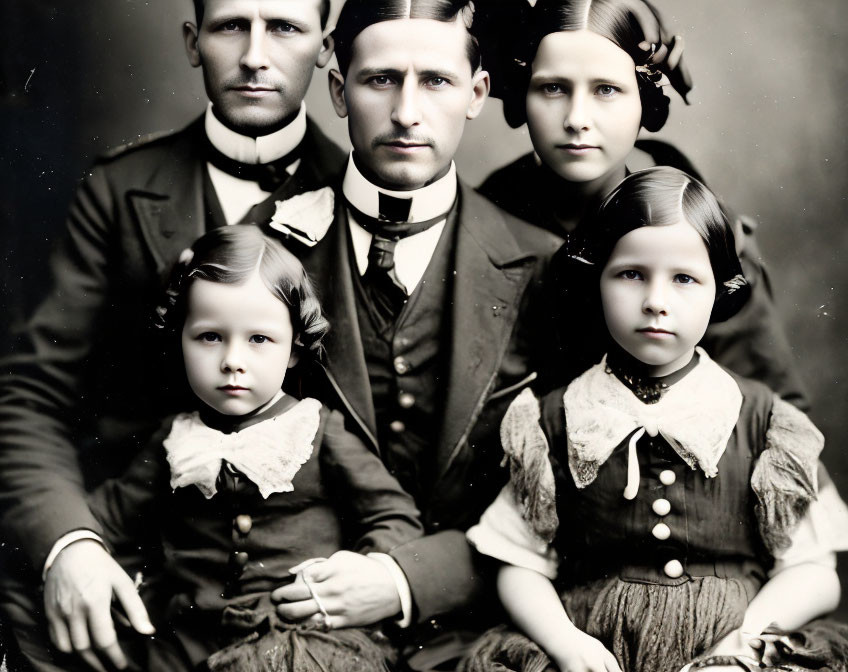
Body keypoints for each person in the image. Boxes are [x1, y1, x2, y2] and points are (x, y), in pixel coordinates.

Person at [0, 1, 345, 669]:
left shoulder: (355, 193)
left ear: (325, 47)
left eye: (283, 27)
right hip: (133, 553)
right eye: (229, 26)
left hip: (287, 584)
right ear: (193, 41)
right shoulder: (120, 189)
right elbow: (33, 396)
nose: (253, 54)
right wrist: (71, 544)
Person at [459, 167, 848, 672]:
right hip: (596, 651)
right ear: (597, 281)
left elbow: (814, 571)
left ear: (719, 289)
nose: (655, 301)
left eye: (684, 279)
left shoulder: (765, 423)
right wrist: (565, 644)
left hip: (733, 648)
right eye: (631, 274)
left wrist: (746, 642)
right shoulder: (553, 422)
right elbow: (518, 563)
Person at [262, 1, 562, 669]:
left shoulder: (541, 267)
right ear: (338, 91)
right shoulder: (263, 253)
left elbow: (565, 501)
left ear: (477, 94)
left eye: (436, 81)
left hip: (482, 625)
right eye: (380, 80)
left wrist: (407, 579)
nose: (406, 112)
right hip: (304, 621)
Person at [80, 226, 423, 671]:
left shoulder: (317, 431)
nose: (232, 360)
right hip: (188, 639)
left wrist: (356, 574)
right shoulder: (176, 439)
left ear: (295, 347)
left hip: (298, 638)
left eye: (259, 339)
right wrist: (85, 552)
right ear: (179, 338)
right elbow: (109, 515)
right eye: (210, 337)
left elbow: (394, 515)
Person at [475, 0, 807, 407]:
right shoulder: (479, 223)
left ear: (644, 101)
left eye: (606, 90)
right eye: (554, 88)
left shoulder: (703, 234)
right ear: (523, 95)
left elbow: (772, 410)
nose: (577, 118)